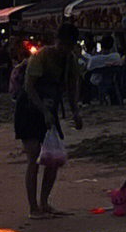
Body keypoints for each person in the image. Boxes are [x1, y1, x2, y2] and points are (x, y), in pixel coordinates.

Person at [15, 21, 83, 218]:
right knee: (34, 156)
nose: (64, 50)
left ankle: (45, 203)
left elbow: (72, 89)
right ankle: (33, 207)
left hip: (50, 110)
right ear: (56, 41)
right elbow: (29, 87)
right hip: (29, 108)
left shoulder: (70, 61)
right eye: (62, 45)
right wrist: (43, 110)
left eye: (69, 46)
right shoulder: (41, 56)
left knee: (53, 159)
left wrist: (75, 113)